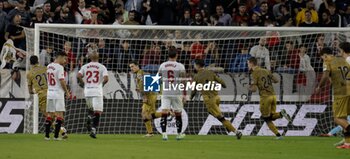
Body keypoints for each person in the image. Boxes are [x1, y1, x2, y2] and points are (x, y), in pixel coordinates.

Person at [191, 59, 242, 139]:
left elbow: (194, 90)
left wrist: (191, 98)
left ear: (197, 66)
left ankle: (236, 132)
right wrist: (224, 85)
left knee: (221, 118)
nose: (194, 66)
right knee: (213, 113)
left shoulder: (196, 76)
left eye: (194, 65)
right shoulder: (211, 72)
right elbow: (220, 80)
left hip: (209, 99)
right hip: (217, 97)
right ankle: (228, 126)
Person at [247, 57, 292, 139]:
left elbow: (254, 89)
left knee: (266, 118)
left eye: (248, 63)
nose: (248, 65)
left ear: (251, 63)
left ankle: (278, 136)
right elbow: (276, 80)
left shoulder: (254, 73)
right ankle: (281, 114)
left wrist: (249, 87)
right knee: (271, 116)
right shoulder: (266, 70)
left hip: (265, 97)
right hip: (273, 96)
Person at [315, 47, 350, 149]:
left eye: (322, 57)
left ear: (325, 55)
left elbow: (325, 76)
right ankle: (348, 144)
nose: (323, 59)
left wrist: (319, 87)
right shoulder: (342, 59)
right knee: (344, 118)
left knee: (337, 119)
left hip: (341, 93)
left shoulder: (327, 61)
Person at [27, 55, 68, 139]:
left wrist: (34, 91)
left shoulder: (29, 73)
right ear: (38, 61)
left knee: (48, 115)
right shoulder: (45, 68)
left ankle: (61, 132)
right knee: (55, 115)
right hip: (50, 91)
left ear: (30, 63)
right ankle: (60, 131)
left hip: (42, 95)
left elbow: (30, 90)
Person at [77, 51, 109, 139]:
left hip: (87, 91)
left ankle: (89, 117)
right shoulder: (102, 67)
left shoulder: (85, 66)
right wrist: (101, 85)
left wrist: (84, 84)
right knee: (98, 111)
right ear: (98, 57)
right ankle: (94, 129)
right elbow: (106, 79)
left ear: (90, 57)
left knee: (91, 108)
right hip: (97, 91)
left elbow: (78, 75)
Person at [158, 48, 186, 140]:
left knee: (164, 113)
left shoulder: (162, 65)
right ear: (176, 55)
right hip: (176, 92)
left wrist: (158, 90)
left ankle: (164, 134)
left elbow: (158, 77)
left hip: (165, 92)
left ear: (168, 55)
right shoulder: (180, 66)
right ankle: (179, 134)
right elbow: (183, 81)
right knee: (178, 113)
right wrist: (184, 94)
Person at [129, 61, 162, 137]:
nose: (131, 68)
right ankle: (168, 113)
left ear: (137, 66)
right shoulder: (142, 73)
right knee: (152, 114)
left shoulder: (140, 74)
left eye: (132, 66)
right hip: (153, 94)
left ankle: (150, 133)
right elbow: (150, 82)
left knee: (144, 114)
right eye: (130, 67)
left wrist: (144, 96)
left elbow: (145, 86)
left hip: (149, 96)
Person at [46, 52, 70, 140]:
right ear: (59, 57)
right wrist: (67, 92)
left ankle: (47, 136)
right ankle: (56, 137)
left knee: (49, 115)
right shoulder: (60, 67)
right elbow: (62, 81)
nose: (65, 61)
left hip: (50, 93)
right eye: (64, 59)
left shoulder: (48, 66)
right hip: (58, 93)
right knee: (60, 115)